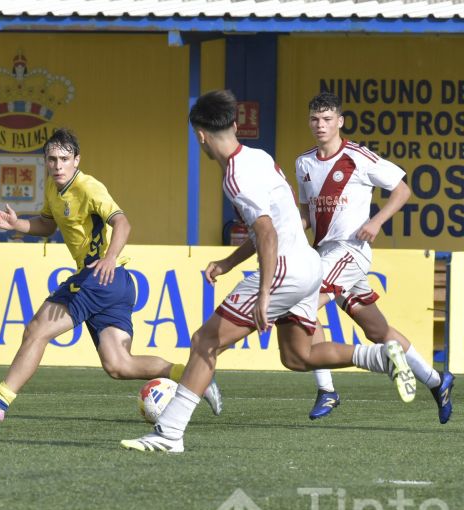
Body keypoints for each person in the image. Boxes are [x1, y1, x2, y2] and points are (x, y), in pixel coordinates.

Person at [121, 90, 415, 453]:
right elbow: (278, 221)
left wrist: (263, 295)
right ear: (233, 124)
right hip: (309, 265)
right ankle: (381, 356)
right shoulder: (260, 157)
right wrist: (229, 263)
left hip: (284, 271)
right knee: (297, 357)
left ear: (200, 136)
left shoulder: (234, 177)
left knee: (204, 342)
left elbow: (265, 231)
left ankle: (169, 434)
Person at [0, 128, 222, 422]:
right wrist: (17, 225)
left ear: (76, 160)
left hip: (99, 277)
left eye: (64, 159)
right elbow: (47, 225)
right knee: (119, 364)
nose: (57, 165)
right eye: (52, 159)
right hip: (115, 284)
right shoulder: (54, 189)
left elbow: (123, 223)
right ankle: (196, 378)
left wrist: (108, 259)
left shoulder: (89, 187)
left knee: (36, 331)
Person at [297, 92, 454, 423]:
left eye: (327, 119)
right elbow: (307, 214)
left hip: (350, 250)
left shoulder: (358, 157)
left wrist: (376, 222)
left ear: (339, 121)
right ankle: (437, 382)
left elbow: (402, 190)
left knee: (304, 303)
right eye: (315, 119)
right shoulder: (305, 163)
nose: (320, 125)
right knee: (378, 332)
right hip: (325, 252)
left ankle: (327, 390)